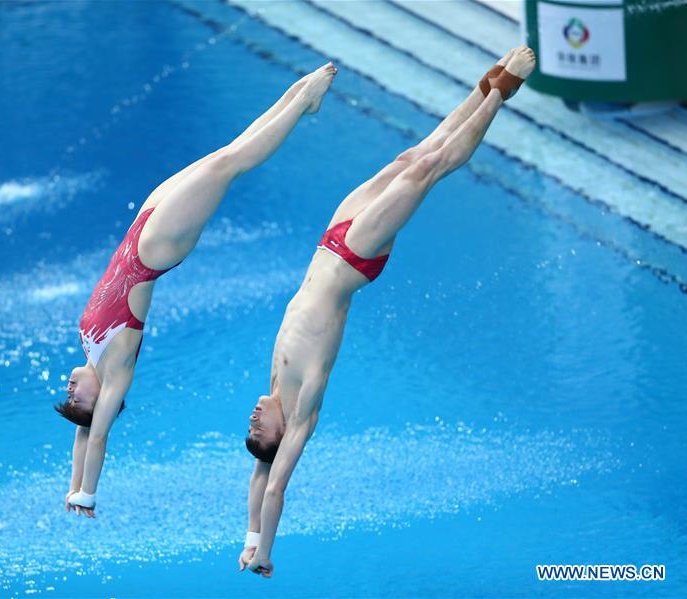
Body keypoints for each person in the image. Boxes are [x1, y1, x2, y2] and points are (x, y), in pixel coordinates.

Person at [239, 47, 536, 577]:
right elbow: (275, 482)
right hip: (353, 258)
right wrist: (263, 554)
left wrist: (248, 534)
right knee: (428, 169)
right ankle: (501, 95)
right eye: (259, 430)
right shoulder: (302, 409)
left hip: (330, 240)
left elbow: (257, 479)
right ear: (279, 437)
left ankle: (481, 88)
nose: (253, 419)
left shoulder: (275, 386)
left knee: (410, 157)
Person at [56, 63, 339, 517]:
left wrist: (70, 486)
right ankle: (303, 99)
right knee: (231, 165)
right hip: (155, 250)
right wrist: (87, 494)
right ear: (100, 402)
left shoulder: (90, 353)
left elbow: (81, 435)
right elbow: (97, 435)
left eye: (69, 400)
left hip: (139, 229)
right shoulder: (115, 373)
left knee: (224, 157)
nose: (70, 392)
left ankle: (299, 95)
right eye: (77, 402)